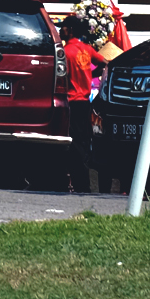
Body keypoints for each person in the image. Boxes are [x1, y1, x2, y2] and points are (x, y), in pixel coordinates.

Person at [61, 14, 98, 195]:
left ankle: (79, 184)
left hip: (72, 103)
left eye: (64, 27)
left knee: (73, 144)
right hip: (85, 103)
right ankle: (84, 184)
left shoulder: (66, 52)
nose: (61, 30)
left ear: (70, 30)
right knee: (84, 142)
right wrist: (90, 75)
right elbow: (105, 62)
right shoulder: (87, 49)